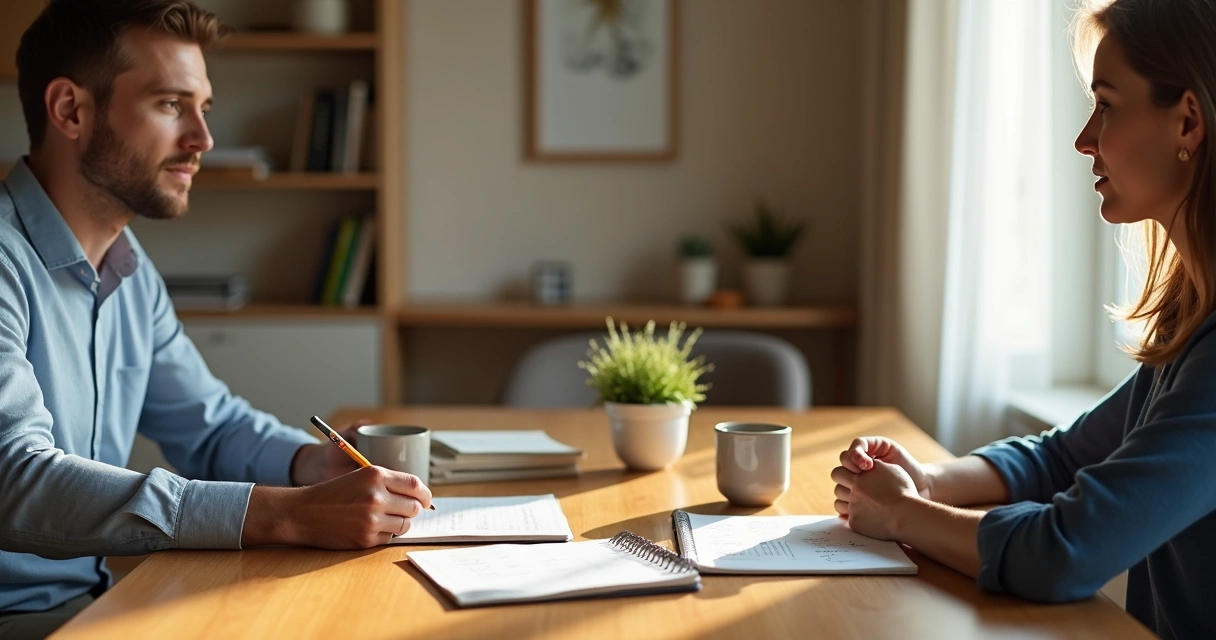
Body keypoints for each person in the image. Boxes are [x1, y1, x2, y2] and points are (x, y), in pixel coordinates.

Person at [0, 1, 432, 637]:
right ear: (70, 110)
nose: (202, 141)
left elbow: (210, 426)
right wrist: (284, 514)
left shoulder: (128, 268)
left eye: (204, 110)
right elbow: (16, 479)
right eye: (171, 105)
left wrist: (310, 467)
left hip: (91, 605)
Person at [830, 0, 1216, 637]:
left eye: (1108, 104)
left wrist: (903, 516)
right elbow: (1067, 458)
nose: (1084, 138)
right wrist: (927, 481)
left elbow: (1069, 550)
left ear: (1188, 122)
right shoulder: (1191, 318)